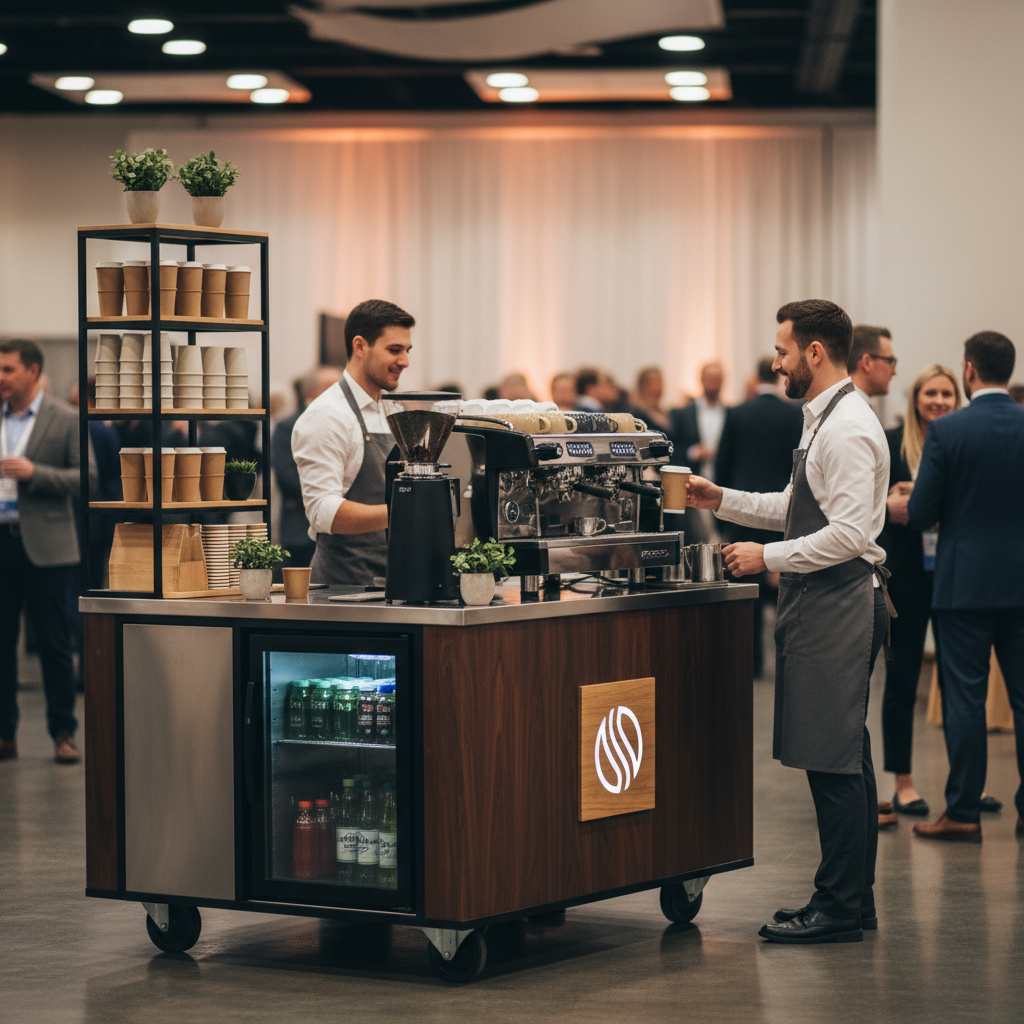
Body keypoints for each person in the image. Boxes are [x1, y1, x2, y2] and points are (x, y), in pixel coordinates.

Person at [687, 300, 890, 943]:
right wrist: (723, 500)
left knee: (832, 763)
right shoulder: (821, 419)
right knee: (845, 760)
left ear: (813, 352)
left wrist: (765, 557)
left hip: (839, 600)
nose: (774, 361)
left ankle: (836, 907)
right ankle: (853, 901)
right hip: (821, 597)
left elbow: (850, 533)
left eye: (781, 350)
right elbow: (795, 507)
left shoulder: (848, 426)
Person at [908, 331, 1024, 842]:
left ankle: (962, 813)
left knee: (965, 701)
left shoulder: (949, 431)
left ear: (969, 370)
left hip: (963, 586)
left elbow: (923, 512)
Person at [1, 339, 97, 763]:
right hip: (2, 542)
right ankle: (5, 734)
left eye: (8, 370)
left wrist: (36, 473)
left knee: (56, 644)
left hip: (49, 547)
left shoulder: (66, 417)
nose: (1, 378)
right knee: (2, 645)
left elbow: (88, 477)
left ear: (33, 372)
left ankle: (63, 733)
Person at [878, 365, 961, 821]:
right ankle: (903, 783)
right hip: (905, 576)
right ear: (915, 398)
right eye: (931, 392)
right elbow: (874, 503)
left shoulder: (960, 440)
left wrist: (922, 500)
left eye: (947, 392)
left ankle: (966, 785)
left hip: (953, 577)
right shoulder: (892, 444)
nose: (939, 400)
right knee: (903, 681)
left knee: (958, 686)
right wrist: (892, 506)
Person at [291, 299, 415, 587]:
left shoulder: (393, 410)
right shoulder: (326, 416)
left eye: (407, 351)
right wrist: (408, 510)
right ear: (360, 346)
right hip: (343, 589)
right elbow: (323, 512)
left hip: (394, 579)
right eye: (394, 350)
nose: (405, 361)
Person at [714, 357, 803, 676]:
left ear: (754, 377)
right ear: (777, 376)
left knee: (745, 588)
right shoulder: (794, 415)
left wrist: (720, 518)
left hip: (744, 511)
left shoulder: (737, 413)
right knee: (783, 586)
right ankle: (786, 659)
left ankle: (750, 660)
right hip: (782, 509)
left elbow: (723, 463)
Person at [272, 366, 342, 569]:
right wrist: (333, 493)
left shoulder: (344, 423)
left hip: (339, 532)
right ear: (312, 392)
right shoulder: (288, 425)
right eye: (332, 388)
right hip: (301, 530)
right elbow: (287, 476)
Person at [670, 360, 729, 543]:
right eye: (710, 379)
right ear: (701, 380)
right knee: (697, 538)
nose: (714, 384)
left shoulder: (730, 412)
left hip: (723, 483)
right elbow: (672, 449)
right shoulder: (682, 413)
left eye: (718, 379)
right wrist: (692, 452)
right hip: (694, 483)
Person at [848, 325, 897, 404]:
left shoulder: (851, 403)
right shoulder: (852, 409)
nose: (894, 372)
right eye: (890, 361)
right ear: (867, 363)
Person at [629, 366, 672, 432]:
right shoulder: (637, 414)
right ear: (643, 385)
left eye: (660, 381)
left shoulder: (667, 412)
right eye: (653, 381)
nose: (658, 385)